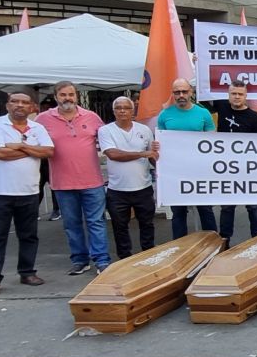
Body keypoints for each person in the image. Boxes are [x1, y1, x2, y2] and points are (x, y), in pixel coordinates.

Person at [0, 93, 54, 296]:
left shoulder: (37, 128)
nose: (19, 105)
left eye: (24, 102)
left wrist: (21, 145)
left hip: (28, 190)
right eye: (15, 102)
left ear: (32, 107)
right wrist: (32, 149)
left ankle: (27, 272)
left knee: (29, 235)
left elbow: (48, 152)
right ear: (7, 105)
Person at [38, 80, 111, 274]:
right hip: (62, 183)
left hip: (92, 181)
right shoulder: (42, 120)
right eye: (63, 95)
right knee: (71, 224)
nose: (67, 98)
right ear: (55, 97)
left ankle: (102, 260)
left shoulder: (92, 117)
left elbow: (108, 139)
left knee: (96, 222)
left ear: (76, 96)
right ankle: (80, 260)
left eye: (71, 94)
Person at [98, 96, 158, 259]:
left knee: (147, 224)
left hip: (143, 187)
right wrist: (142, 154)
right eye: (118, 108)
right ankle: (125, 259)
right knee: (120, 226)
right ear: (114, 111)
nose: (122, 110)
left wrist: (161, 162)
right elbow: (113, 154)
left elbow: (153, 156)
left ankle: (149, 254)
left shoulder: (144, 130)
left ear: (133, 111)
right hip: (117, 190)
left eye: (126, 107)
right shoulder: (106, 130)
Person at [157, 78, 216, 238]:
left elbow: (212, 140)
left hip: (200, 170)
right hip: (175, 172)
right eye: (177, 92)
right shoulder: (164, 115)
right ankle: (180, 247)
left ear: (191, 92)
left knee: (205, 208)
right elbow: (161, 142)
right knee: (178, 211)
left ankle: (213, 243)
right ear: (173, 94)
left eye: (184, 91)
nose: (181, 95)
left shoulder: (203, 113)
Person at [214, 80, 257, 243]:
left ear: (246, 96)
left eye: (240, 94)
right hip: (227, 170)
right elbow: (200, 91)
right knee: (227, 207)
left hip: (249, 171)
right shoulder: (221, 109)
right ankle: (224, 241)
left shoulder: (255, 117)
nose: (237, 97)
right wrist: (195, 64)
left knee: (254, 207)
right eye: (233, 93)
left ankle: (256, 241)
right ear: (228, 95)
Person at [33, 96, 60, 220]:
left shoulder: (58, 121)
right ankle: (34, 210)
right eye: (43, 107)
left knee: (54, 185)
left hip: (54, 157)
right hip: (40, 158)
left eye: (48, 108)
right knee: (38, 184)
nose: (46, 110)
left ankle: (57, 209)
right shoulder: (38, 120)